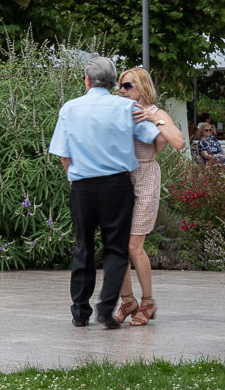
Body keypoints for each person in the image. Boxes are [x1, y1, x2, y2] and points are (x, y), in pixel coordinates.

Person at [49, 57, 161, 329]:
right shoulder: (126, 107)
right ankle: (107, 306)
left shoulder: (70, 108)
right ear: (113, 83)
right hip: (117, 186)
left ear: (87, 80)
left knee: (83, 247)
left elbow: (64, 155)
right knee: (115, 248)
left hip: (83, 187)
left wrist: (75, 177)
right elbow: (155, 136)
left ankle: (80, 312)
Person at [113, 68, 185, 326]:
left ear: (142, 87)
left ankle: (148, 302)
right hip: (121, 178)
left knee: (134, 246)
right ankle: (127, 300)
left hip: (145, 177)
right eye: (120, 86)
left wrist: (155, 120)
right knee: (117, 246)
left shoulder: (157, 113)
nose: (122, 90)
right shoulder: (120, 111)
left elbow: (178, 143)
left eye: (127, 85)